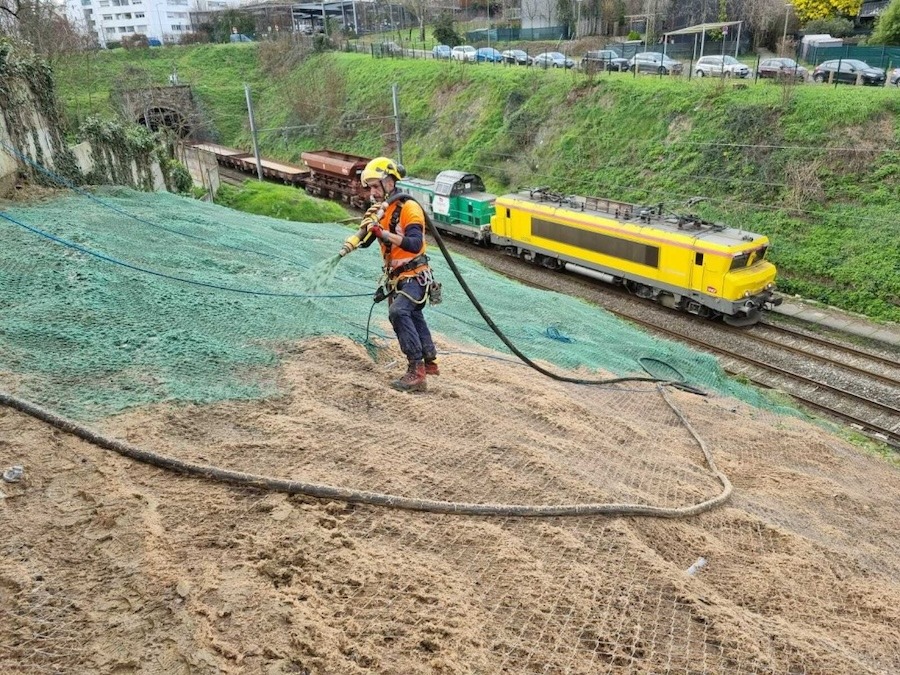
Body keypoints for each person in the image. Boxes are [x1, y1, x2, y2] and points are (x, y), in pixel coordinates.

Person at [339, 157, 438, 392]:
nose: (372, 192)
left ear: (390, 181)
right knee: (411, 314)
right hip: (397, 277)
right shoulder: (382, 210)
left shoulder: (409, 208)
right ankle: (429, 360)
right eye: (370, 187)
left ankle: (416, 371)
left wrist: (384, 233)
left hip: (415, 274)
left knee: (399, 311)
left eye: (375, 186)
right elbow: (367, 241)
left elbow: (414, 244)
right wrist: (363, 232)